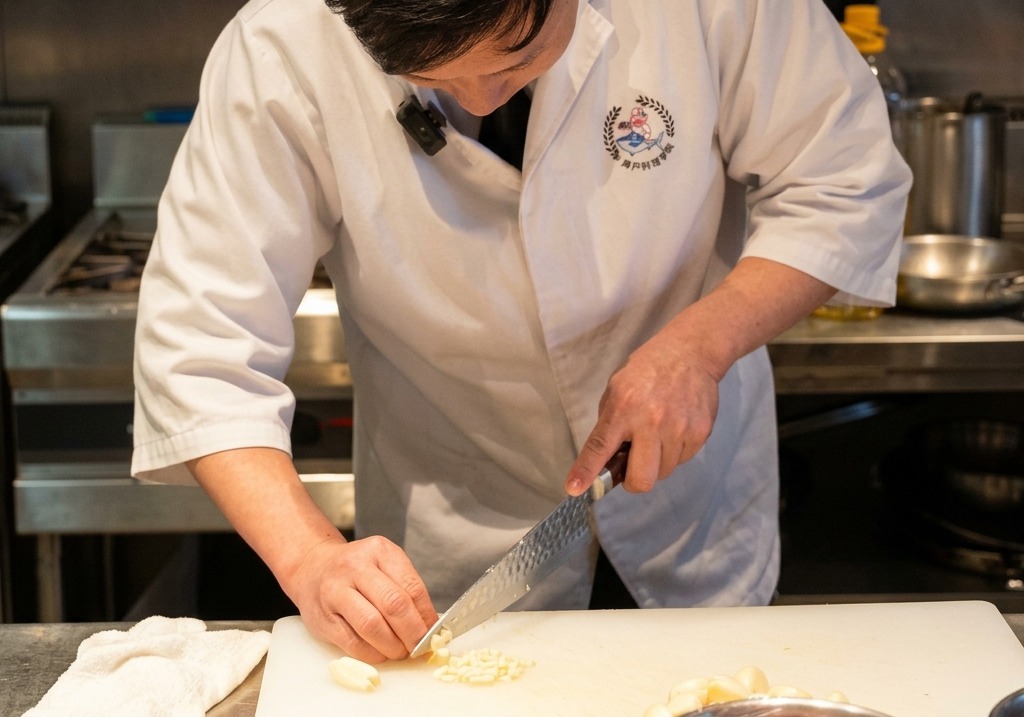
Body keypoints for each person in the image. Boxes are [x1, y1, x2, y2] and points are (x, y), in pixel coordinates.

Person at [131, 0, 911, 663]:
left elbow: (845, 184)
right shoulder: (283, 41)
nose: (477, 99)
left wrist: (701, 343)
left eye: (516, 54)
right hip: (449, 542)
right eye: (435, 78)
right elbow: (199, 341)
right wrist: (310, 559)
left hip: (694, 514)